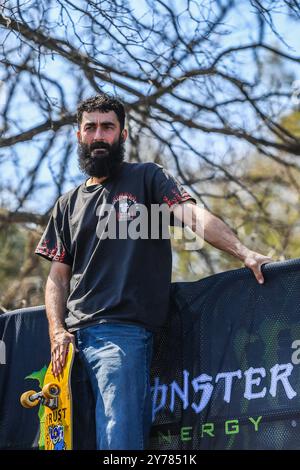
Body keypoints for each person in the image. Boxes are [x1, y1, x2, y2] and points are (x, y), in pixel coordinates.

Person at [35, 93, 272, 450]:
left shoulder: (146, 178)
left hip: (121, 336)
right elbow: (58, 277)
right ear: (79, 135)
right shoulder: (66, 204)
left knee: (120, 443)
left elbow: (191, 214)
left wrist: (243, 252)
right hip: (68, 349)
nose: (99, 135)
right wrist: (57, 331)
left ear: (123, 134)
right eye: (91, 127)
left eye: (108, 127)